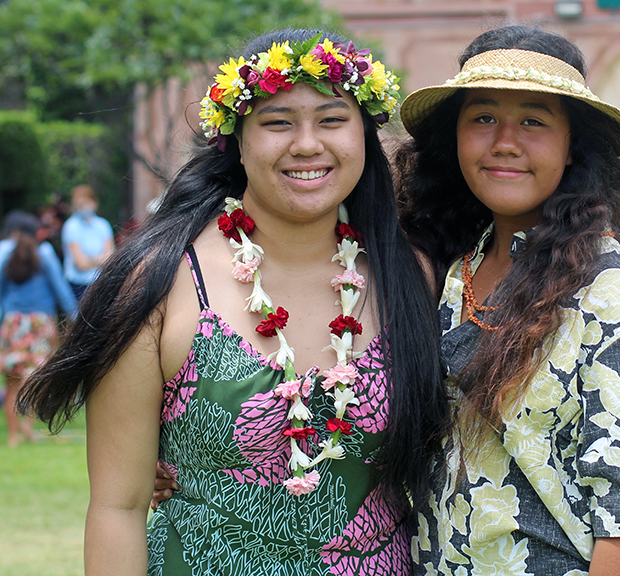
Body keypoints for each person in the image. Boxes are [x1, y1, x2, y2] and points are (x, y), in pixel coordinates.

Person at [18, 28, 447, 576]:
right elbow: (117, 507)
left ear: (365, 135)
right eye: (277, 122)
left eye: (333, 119)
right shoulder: (159, 283)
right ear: (236, 140)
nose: (308, 144)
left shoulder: (414, 275)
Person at [396, 26, 620, 575]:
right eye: (484, 117)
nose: (505, 142)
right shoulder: (455, 272)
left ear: (574, 148)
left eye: (535, 121)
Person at [0, 210, 76, 446]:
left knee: (11, 381)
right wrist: (76, 316)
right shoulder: (44, 254)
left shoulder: (5, 253)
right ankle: (27, 422)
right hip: (40, 324)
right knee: (37, 377)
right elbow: (60, 289)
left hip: (13, 323)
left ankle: (14, 437)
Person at [61, 184, 115, 299]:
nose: (82, 208)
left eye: (84, 203)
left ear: (93, 202)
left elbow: (110, 259)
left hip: (101, 283)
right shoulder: (71, 226)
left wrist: (89, 260)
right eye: (79, 205)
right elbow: (80, 264)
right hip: (78, 287)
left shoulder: (102, 225)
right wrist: (100, 260)